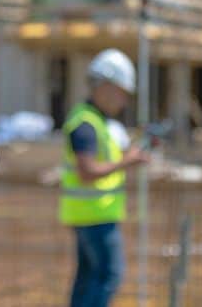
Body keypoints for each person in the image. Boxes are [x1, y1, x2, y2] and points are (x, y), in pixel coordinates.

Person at [59, 48, 151, 307]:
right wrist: (128, 161)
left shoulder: (95, 121)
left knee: (88, 278)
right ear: (106, 86)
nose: (124, 100)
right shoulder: (86, 124)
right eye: (122, 92)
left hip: (91, 214)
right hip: (94, 216)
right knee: (109, 275)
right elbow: (87, 171)